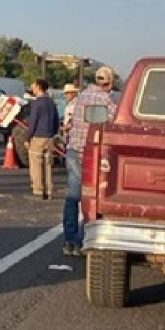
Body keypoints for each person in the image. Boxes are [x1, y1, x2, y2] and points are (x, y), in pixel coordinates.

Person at [63, 65, 118, 254]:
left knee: (72, 197)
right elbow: (114, 124)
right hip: (90, 155)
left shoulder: (81, 97)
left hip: (73, 151)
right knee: (91, 197)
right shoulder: (107, 101)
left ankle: (69, 240)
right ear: (109, 82)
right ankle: (84, 239)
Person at [27, 79, 60, 200]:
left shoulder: (37, 103)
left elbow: (33, 122)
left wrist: (28, 137)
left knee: (36, 165)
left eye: (33, 85)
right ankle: (49, 190)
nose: (32, 88)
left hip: (38, 137)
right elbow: (56, 121)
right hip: (50, 137)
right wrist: (54, 133)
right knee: (48, 165)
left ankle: (38, 190)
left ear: (39, 87)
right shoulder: (51, 102)